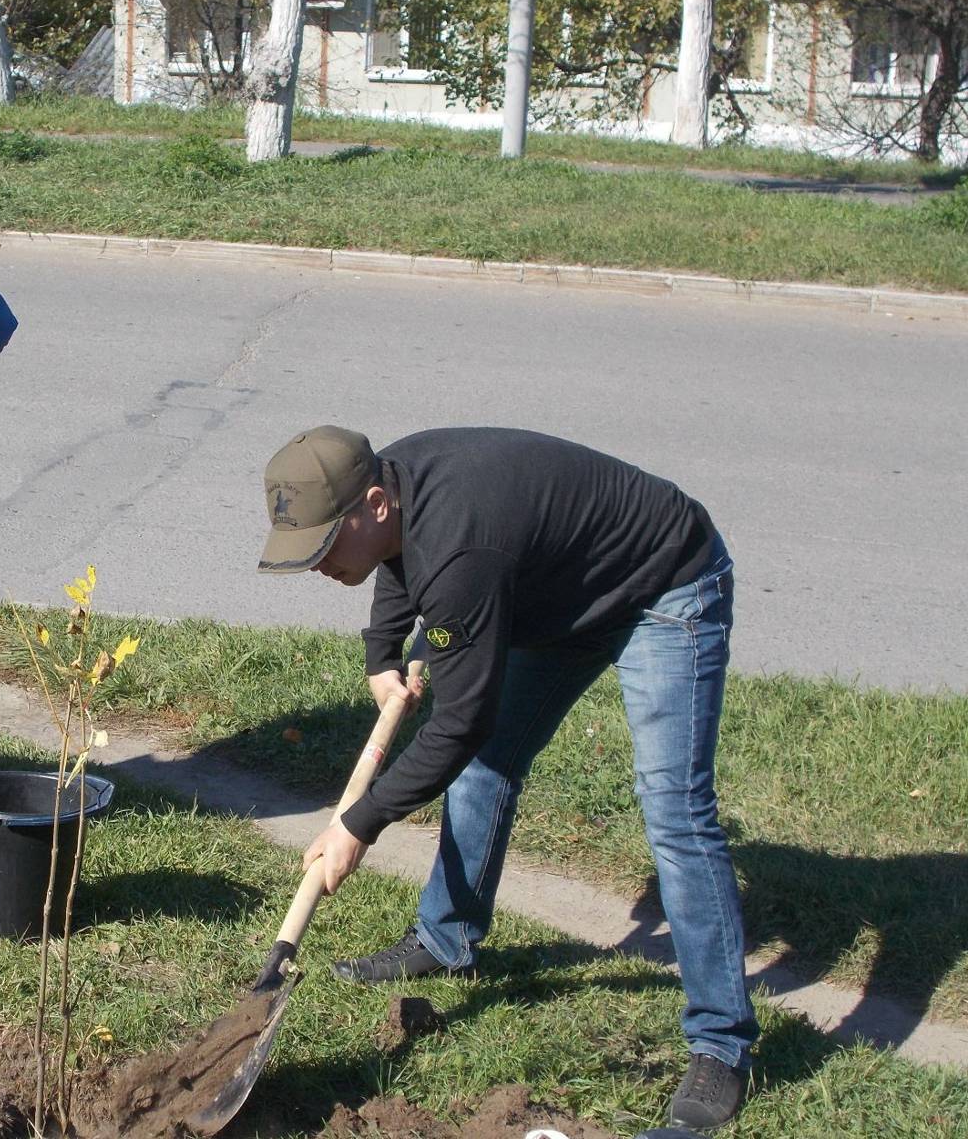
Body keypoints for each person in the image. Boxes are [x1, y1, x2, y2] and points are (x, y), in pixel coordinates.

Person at [259, 425, 757, 1133]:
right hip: (564, 594)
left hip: (665, 584)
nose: (314, 566)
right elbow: (401, 561)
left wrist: (358, 823)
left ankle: (722, 1043)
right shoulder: (398, 489)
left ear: (371, 502)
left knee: (676, 812)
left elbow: (460, 720)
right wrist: (382, 653)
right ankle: (446, 937)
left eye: (322, 545)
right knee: (487, 763)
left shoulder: (462, 546)